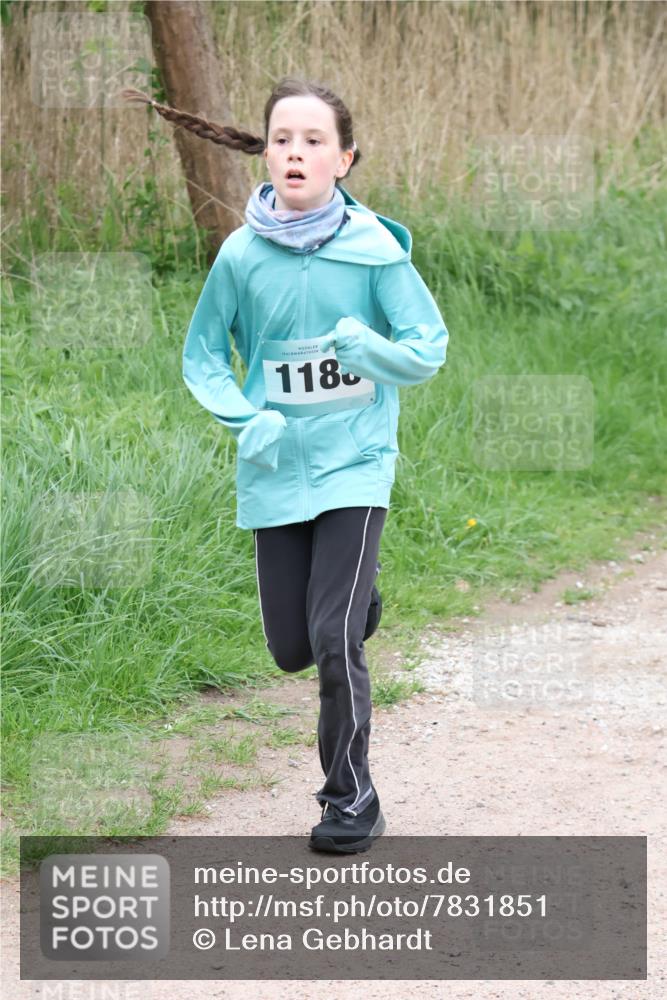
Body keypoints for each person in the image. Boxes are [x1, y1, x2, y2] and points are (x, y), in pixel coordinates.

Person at [121, 77, 449, 854]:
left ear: (344, 159)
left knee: (332, 639)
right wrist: (245, 416)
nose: (295, 151)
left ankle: (350, 798)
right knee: (292, 647)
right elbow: (202, 355)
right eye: (281, 139)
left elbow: (425, 349)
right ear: (263, 154)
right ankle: (356, 602)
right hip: (275, 470)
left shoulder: (375, 252)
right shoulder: (240, 255)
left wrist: (372, 351)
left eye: (312, 141)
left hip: (356, 463)